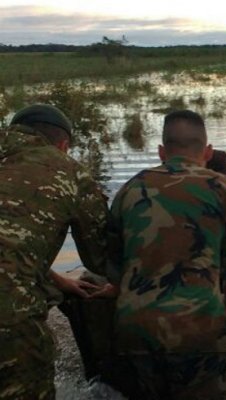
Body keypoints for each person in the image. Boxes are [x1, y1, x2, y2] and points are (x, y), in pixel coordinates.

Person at [107, 110, 226, 400]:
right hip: (199, 330)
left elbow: (113, 271)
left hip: (136, 333)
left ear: (162, 151)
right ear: (208, 151)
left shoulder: (130, 190)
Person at [0, 104, 108, 399]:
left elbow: (10, 237)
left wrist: (58, 280)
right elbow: (101, 259)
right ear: (63, 145)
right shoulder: (69, 171)